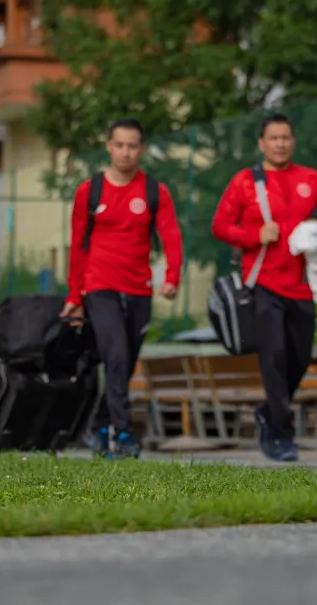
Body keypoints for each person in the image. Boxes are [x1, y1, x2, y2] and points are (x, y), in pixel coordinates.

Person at [212, 113, 317, 462]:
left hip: (303, 286)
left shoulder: (310, 179)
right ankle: (282, 435)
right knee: (273, 357)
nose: (280, 143)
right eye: (273, 138)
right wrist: (253, 236)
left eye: (285, 137)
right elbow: (221, 226)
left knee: (299, 357)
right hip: (263, 284)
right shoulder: (245, 182)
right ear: (262, 143)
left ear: (293, 141)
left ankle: (269, 412)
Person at [62, 118, 183, 460]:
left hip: (139, 288)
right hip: (99, 286)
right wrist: (74, 295)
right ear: (109, 146)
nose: (126, 152)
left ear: (141, 149)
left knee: (125, 364)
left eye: (132, 146)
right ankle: (123, 434)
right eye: (120, 145)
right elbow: (77, 245)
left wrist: (172, 276)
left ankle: (99, 425)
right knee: (114, 356)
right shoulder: (90, 191)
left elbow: (171, 236)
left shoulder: (154, 192)